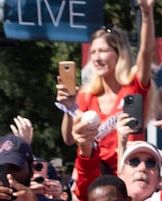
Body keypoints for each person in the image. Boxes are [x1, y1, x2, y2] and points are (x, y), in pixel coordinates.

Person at [56, 7, 155, 173]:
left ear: (119, 54)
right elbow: (69, 139)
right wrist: (69, 108)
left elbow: (146, 52)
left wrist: (147, 13)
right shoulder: (87, 95)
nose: (96, 58)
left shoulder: (134, 87)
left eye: (103, 51)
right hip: (97, 177)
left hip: (130, 173)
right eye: (93, 52)